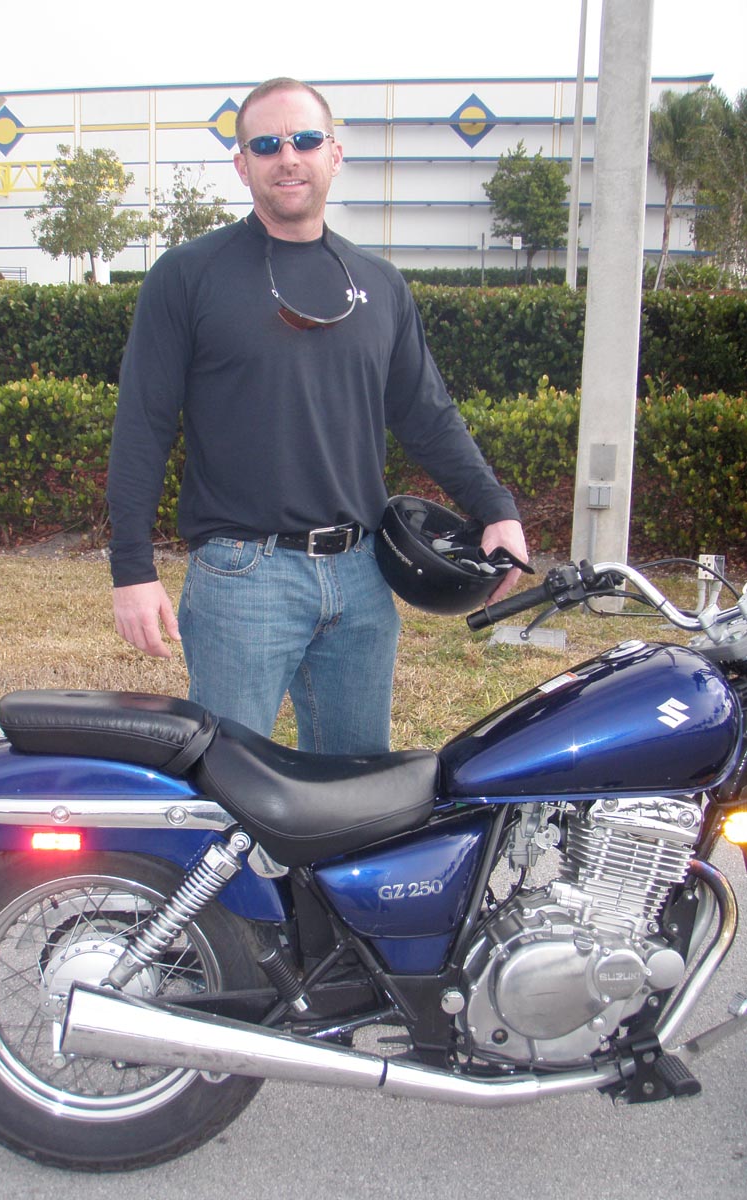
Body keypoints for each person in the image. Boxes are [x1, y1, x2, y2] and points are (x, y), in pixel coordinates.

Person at [107, 77, 527, 755]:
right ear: (242, 164)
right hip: (244, 577)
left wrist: (496, 508)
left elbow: (425, 414)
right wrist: (132, 569)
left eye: (304, 140)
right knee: (228, 780)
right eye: (266, 145)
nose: (287, 157)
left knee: (356, 786)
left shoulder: (380, 283)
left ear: (334, 153)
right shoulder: (187, 275)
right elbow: (142, 425)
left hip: (363, 575)